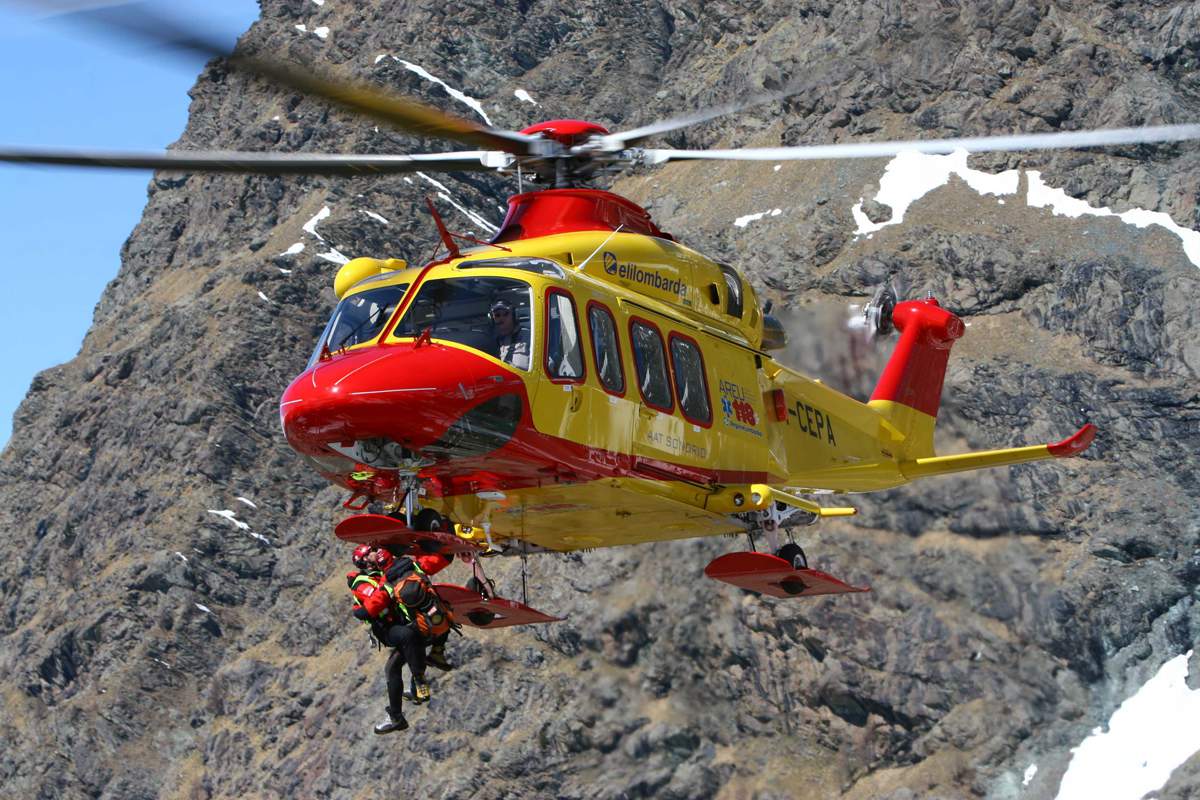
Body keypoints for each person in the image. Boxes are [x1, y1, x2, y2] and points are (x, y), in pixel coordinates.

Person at [490, 298, 530, 369]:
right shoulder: (494, 341)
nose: (501, 318)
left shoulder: (528, 335)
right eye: (497, 315)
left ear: (514, 316)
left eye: (505, 314)